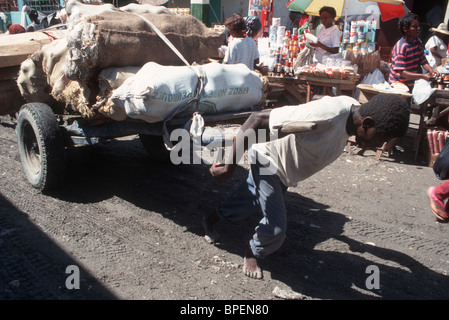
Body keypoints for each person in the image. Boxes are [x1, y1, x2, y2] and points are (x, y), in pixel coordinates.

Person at [203, 93, 410, 279]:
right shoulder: (330, 115)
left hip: (285, 170)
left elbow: (321, 98)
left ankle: (210, 219)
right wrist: (230, 164)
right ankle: (253, 250)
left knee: (249, 200)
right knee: (275, 228)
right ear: (366, 123)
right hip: (269, 160)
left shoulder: (352, 110)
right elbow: (256, 119)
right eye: (379, 139)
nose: (377, 145)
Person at [389, 12, 437, 93]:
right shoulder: (401, 47)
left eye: (418, 26)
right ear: (405, 29)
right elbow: (402, 72)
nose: (418, 28)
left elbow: (423, 60)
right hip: (397, 86)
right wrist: (422, 76)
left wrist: (431, 70)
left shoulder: (417, 41)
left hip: (410, 84)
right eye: (415, 27)